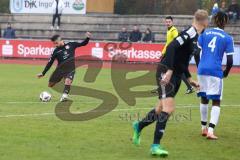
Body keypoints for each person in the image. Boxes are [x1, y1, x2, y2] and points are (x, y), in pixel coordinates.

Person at [131, 10, 209, 157]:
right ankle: (155, 146)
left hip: (176, 75)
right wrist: (169, 71)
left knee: (160, 109)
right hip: (166, 72)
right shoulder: (190, 33)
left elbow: (182, 59)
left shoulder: (196, 36)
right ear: (205, 22)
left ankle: (138, 125)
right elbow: (172, 47)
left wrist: (189, 78)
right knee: (169, 108)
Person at [197, 12, 234, 140]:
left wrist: (199, 66)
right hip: (215, 71)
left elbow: (197, 51)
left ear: (214, 20)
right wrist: (226, 73)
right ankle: (211, 131)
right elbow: (230, 61)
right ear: (225, 22)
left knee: (203, 98)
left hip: (202, 70)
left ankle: (203, 128)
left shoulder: (205, 33)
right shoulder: (227, 38)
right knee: (216, 101)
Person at [37, 32, 92, 102]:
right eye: (54, 43)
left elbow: (83, 44)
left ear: (60, 40)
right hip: (60, 70)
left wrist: (88, 38)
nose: (55, 45)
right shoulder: (56, 51)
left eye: (56, 43)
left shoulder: (71, 44)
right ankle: (64, 82)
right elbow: (50, 62)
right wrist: (43, 73)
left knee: (68, 81)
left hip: (70, 69)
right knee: (50, 84)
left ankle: (64, 96)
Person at [162, 16, 194, 94]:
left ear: (172, 22)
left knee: (176, 70)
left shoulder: (174, 30)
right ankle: (165, 85)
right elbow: (167, 43)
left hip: (174, 53)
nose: (168, 23)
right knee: (167, 69)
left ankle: (165, 86)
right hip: (169, 53)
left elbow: (176, 42)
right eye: (166, 22)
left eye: (169, 22)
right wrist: (163, 52)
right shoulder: (169, 30)